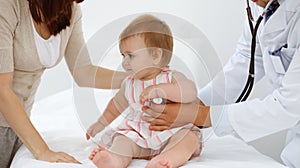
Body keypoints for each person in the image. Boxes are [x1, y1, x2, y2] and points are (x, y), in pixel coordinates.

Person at [141, 0, 300, 168]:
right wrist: (198, 103)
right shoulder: (262, 6)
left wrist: (200, 115)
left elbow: (288, 106)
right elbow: (248, 57)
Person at [0, 0, 127, 167]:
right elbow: (2, 90)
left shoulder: (71, 11)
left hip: (18, 126)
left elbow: (83, 72)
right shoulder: (9, 6)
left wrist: (136, 78)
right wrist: (42, 151)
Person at [86, 14, 203, 168]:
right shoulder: (129, 84)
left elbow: (190, 92)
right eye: (123, 55)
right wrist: (100, 123)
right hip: (138, 135)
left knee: (188, 138)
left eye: (130, 56)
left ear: (155, 55)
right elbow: (116, 104)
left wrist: (161, 90)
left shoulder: (170, 78)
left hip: (170, 132)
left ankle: (165, 160)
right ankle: (113, 160)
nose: (124, 62)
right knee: (122, 140)